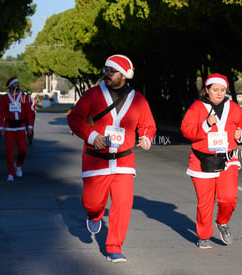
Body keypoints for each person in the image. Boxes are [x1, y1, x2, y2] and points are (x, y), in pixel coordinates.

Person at [67, 54, 156, 263]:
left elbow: (148, 125)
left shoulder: (139, 100)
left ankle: (114, 247)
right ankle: (94, 215)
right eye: (106, 69)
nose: (107, 74)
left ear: (124, 75)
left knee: (123, 204)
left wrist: (147, 138)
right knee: (92, 202)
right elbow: (74, 118)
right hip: (95, 160)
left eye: (112, 71)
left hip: (124, 161)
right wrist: (92, 136)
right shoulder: (93, 95)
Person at [181, 73, 242, 249]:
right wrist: (205, 124)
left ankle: (222, 221)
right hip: (201, 161)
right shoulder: (197, 107)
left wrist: (240, 134)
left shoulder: (233, 107)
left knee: (229, 197)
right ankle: (204, 235)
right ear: (207, 90)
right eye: (215, 90)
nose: (219, 93)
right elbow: (186, 130)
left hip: (227, 159)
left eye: (222, 90)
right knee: (205, 202)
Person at [0, 77, 34, 182]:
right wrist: (0, 127)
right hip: (9, 127)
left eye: (18, 83)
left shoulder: (24, 97)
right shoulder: (4, 98)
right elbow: (0, 114)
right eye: (15, 83)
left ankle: (18, 165)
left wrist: (30, 126)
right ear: (10, 86)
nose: (17, 85)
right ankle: (11, 173)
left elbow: (29, 113)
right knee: (9, 151)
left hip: (21, 127)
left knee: (23, 150)